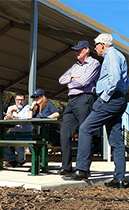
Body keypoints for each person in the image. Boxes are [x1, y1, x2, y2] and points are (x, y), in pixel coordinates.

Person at [63, 34, 129, 189]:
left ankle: (82, 169)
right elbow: (124, 81)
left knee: (85, 129)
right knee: (116, 139)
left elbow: (114, 78)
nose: (95, 48)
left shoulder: (111, 55)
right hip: (119, 98)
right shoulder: (119, 56)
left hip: (110, 99)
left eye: (95, 45)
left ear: (102, 44)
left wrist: (104, 98)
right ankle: (119, 178)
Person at [58, 40, 101, 176]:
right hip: (71, 100)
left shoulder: (94, 63)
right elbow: (61, 79)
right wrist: (73, 79)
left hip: (85, 98)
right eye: (76, 50)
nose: (77, 52)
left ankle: (83, 168)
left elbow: (84, 82)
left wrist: (71, 80)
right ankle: (66, 167)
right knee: (65, 134)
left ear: (87, 50)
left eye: (79, 50)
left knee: (85, 132)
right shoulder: (75, 65)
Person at [3, 93, 33, 168]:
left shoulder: (28, 108)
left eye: (22, 100)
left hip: (26, 133)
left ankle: (21, 161)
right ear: (15, 100)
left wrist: (13, 117)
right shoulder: (11, 108)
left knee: (18, 143)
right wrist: (9, 114)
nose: (20, 102)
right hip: (13, 132)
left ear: (24, 100)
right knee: (0, 141)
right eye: (18, 100)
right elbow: (5, 120)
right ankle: (12, 160)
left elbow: (25, 120)